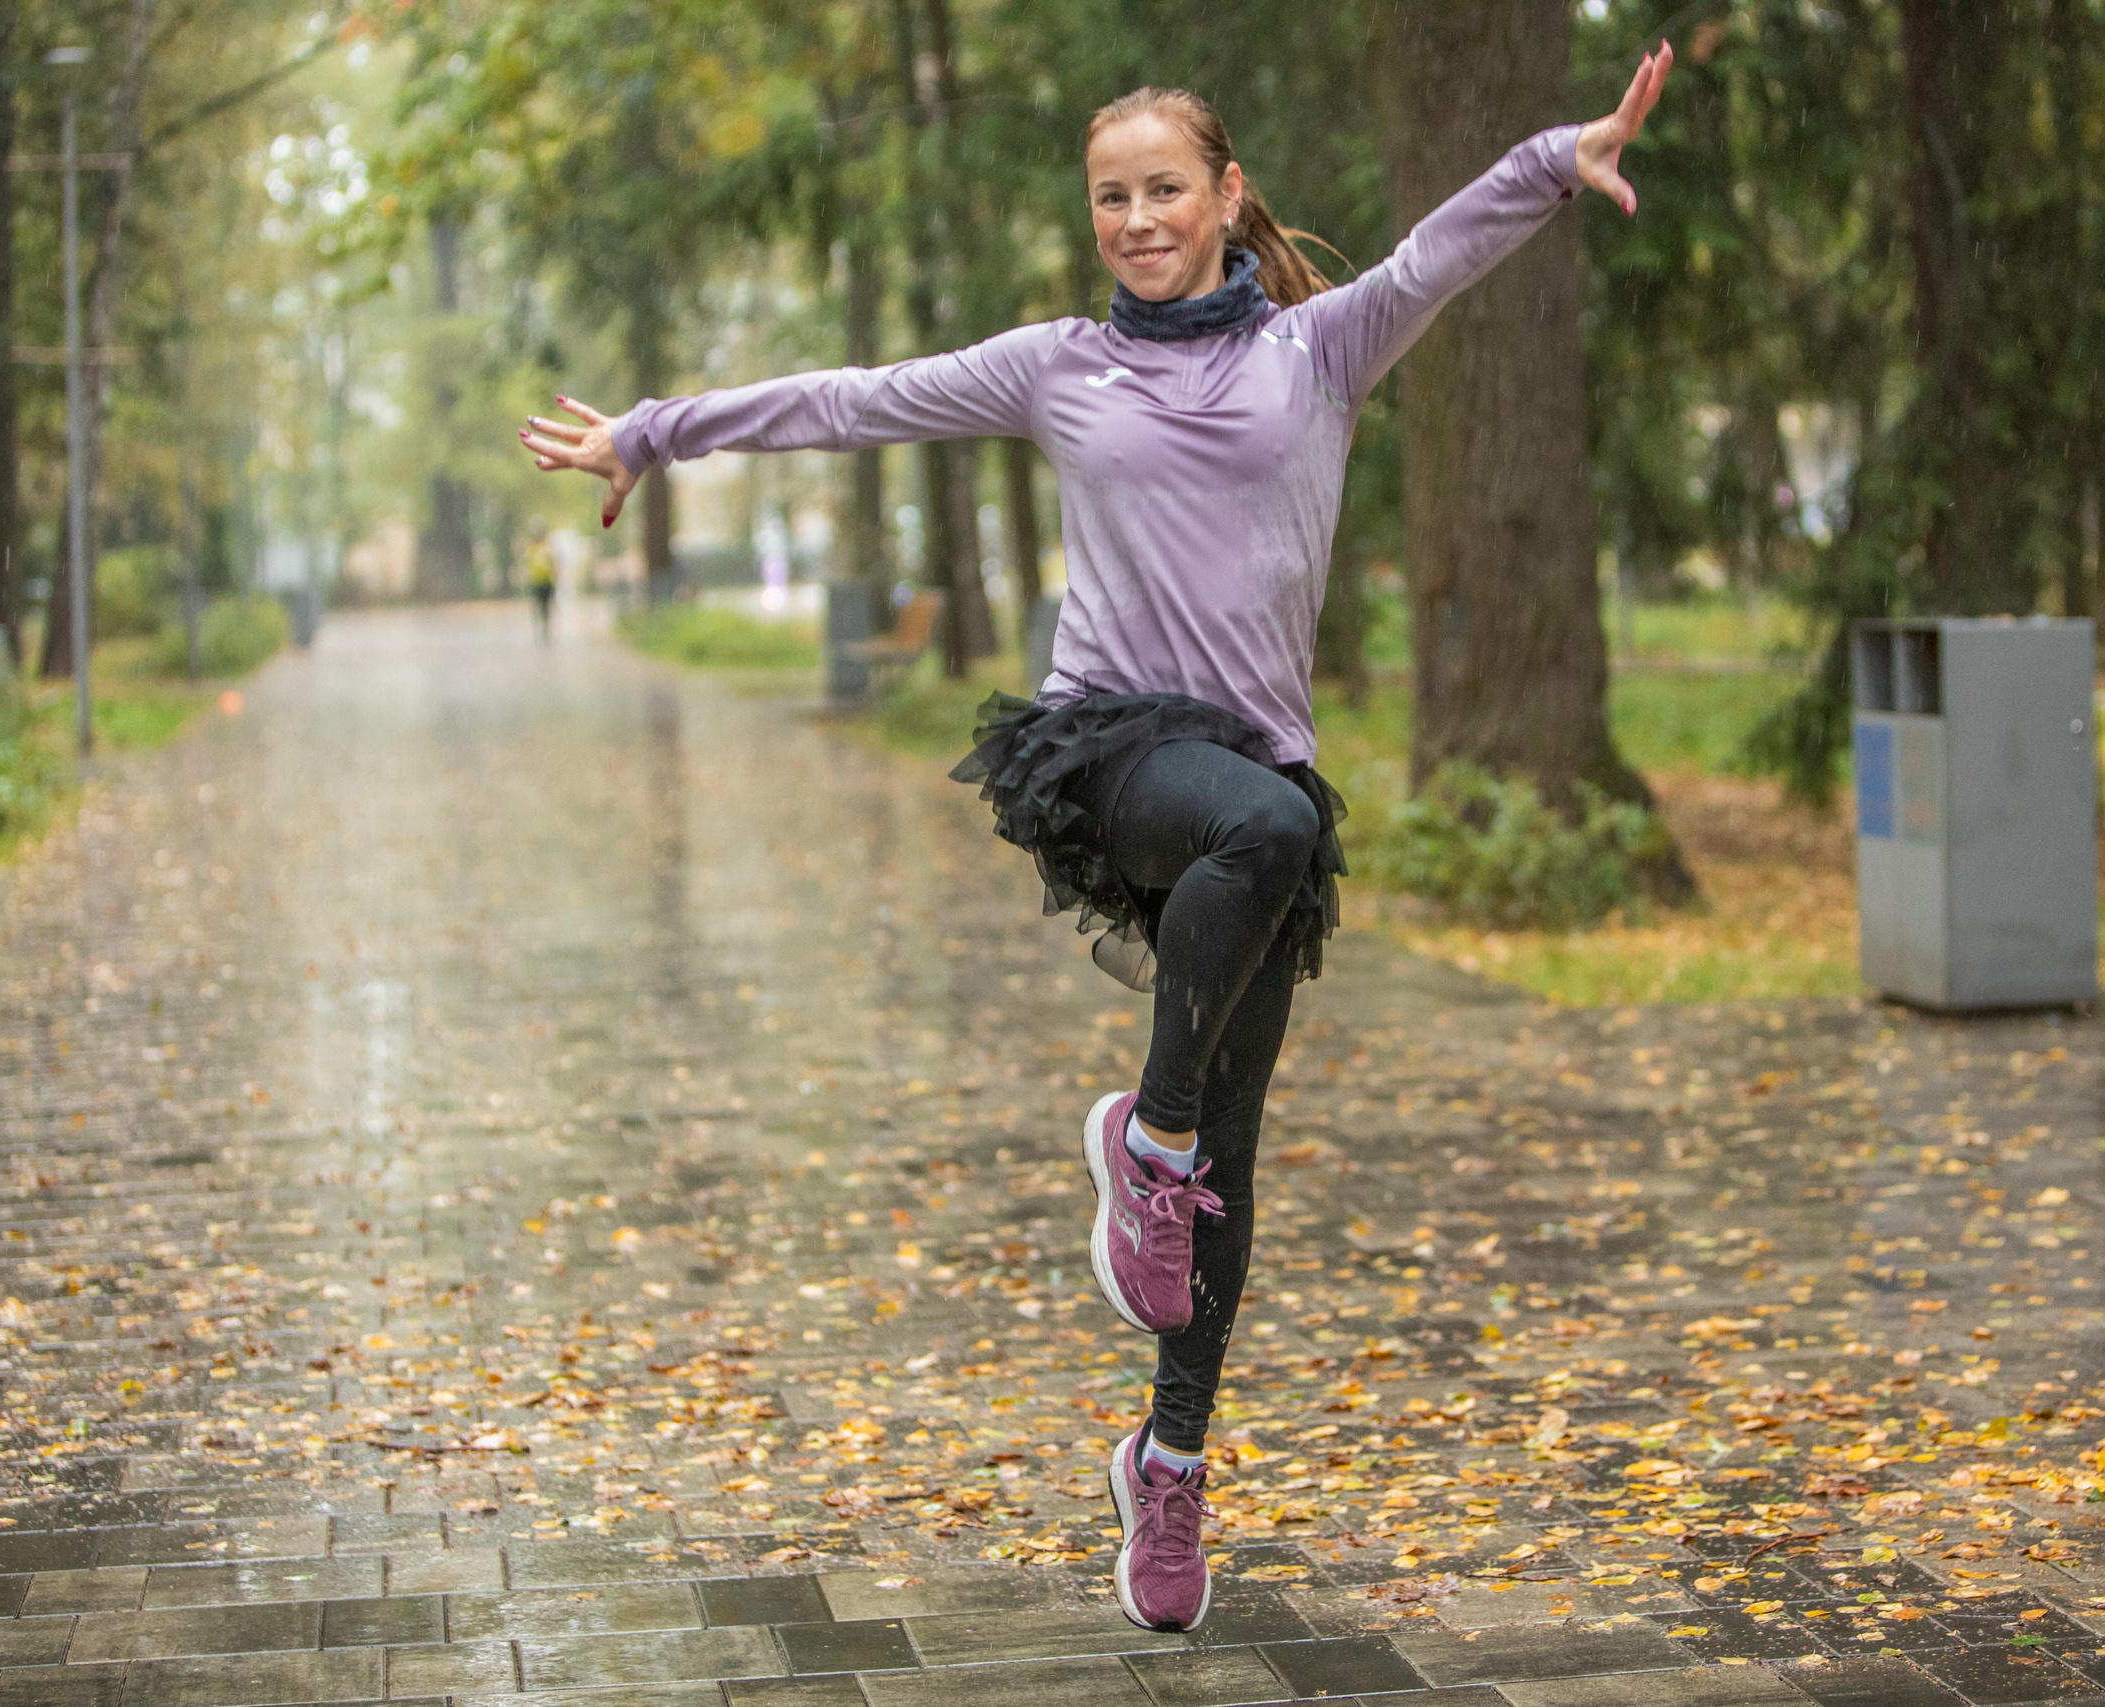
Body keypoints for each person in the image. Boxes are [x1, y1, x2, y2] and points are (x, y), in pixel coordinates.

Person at [518, 44, 1677, 1632]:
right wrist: (654, 431)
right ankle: (1150, 1137)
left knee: (1235, 1147)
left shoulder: (1319, 354)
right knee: (1258, 845)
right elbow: (856, 402)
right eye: (1111, 198)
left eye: (1164, 190)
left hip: (1257, 775)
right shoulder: (1061, 365)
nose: (1137, 219)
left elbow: (1435, 253)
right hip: (1118, 757)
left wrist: (1561, 154)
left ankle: (1171, 1455)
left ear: (1226, 197)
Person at [524, 523, 558, 640]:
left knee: (545, 606)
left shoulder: (546, 548)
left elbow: (553, 564)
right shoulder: (531, 549)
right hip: (536, 581)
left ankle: (545, 626)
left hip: (546, 581)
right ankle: (540, 626)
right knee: (538, 605)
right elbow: (527, 564)